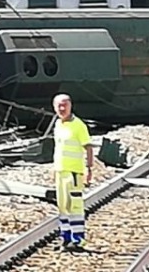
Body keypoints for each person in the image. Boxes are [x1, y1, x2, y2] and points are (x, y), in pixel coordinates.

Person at [52, 93, 94, 251]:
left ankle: (78, 240)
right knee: (63, 206)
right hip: (61, 171)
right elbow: (59, 148)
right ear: (54, 107)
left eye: (65, 105)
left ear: (70, 106)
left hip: (74, 173)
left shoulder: (79, 125)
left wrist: (89, 169)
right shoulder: (58, 124)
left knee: (75, 206)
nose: (62, 108)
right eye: (59, 105)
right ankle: (66, 238)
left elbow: (88, 147)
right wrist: (55, 169)